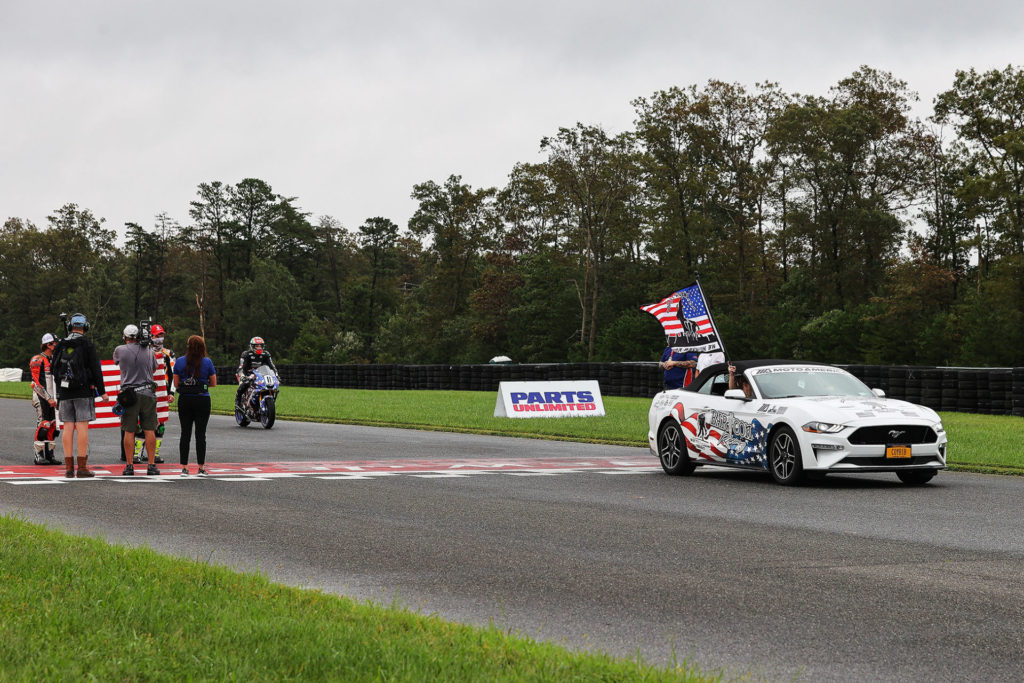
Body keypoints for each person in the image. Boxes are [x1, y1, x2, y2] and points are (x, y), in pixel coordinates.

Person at [53, 313, 109, 478]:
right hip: (83, 390)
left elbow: (54, 369)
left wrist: (59, 391)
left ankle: (68, 467)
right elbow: (96, 369)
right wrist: (102, 391)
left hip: (64, 391)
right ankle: (82, 467)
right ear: (85, 327)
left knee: (68, 427)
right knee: (82, 427)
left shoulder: (61, 344)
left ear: (70, 326)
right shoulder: (87, 344)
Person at [113, 324, 160, 476]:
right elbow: (154, 368)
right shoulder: (149, 350)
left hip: (129, 394)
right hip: (148, 392)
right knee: (149, 429)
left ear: (125, 337)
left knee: (129, 430)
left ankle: (129, 465)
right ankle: (151, 465)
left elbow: (116, 362)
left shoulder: (119, 350)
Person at [174, 335, 217, 476]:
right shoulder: (207, 362)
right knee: (200, 434)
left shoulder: (179, 362)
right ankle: (201, 467)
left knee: (185, 434)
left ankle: (184, 467)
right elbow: (213, 383)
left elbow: (175, 384)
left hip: (185, 400)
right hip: (202, 399)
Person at [131, 323, 174, 464]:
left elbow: (172, 375)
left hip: (162, 393)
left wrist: (171, 392)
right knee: (141, 423)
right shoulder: (143, 352)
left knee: (160, 425)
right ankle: (137, 453)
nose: (159, 339)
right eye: (156, 336)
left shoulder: (167, 354)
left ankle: (155, 453)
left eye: (161, 335)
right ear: (151, 337)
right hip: (145, 392)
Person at [29, 333, 61, 465]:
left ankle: (50, 455)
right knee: (44, 424)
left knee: (53, 425)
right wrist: (48, 398)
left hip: (53, 398)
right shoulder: (37, 359)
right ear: (48, 345)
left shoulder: (55, 359)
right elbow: (36, 383)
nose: (57, 345)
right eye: (55, 343)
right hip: (41, 397)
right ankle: (39, 454)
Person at [235, 336, 278, 409]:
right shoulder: (247, 354)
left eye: (260, 345)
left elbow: (271, 365)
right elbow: (243, 367)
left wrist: (276, 374)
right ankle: (238, 401)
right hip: (246, 372)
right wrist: (246, 376)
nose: (259, 347)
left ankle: (263, 402)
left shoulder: (266, 354)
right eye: (257, 346)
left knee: (269, 385)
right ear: (252, 346)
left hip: (259, 373)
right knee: (244, 384)